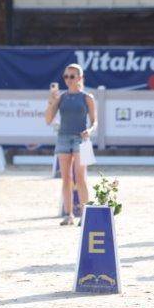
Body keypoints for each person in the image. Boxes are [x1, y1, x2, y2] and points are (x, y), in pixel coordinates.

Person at [45, 63, 97, 226]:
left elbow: (95, 121)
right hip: (63, 138)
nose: (68, 79)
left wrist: (90, 130)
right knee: (66, 178)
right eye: (66, 76)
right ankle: (68, 215)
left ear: (80, 78)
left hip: (81, 139)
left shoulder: (87, 97)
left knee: (81, 177)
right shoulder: (61, 97)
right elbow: (48, 120)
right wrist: (51, 102)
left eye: (72, 76)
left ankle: (85, 214)